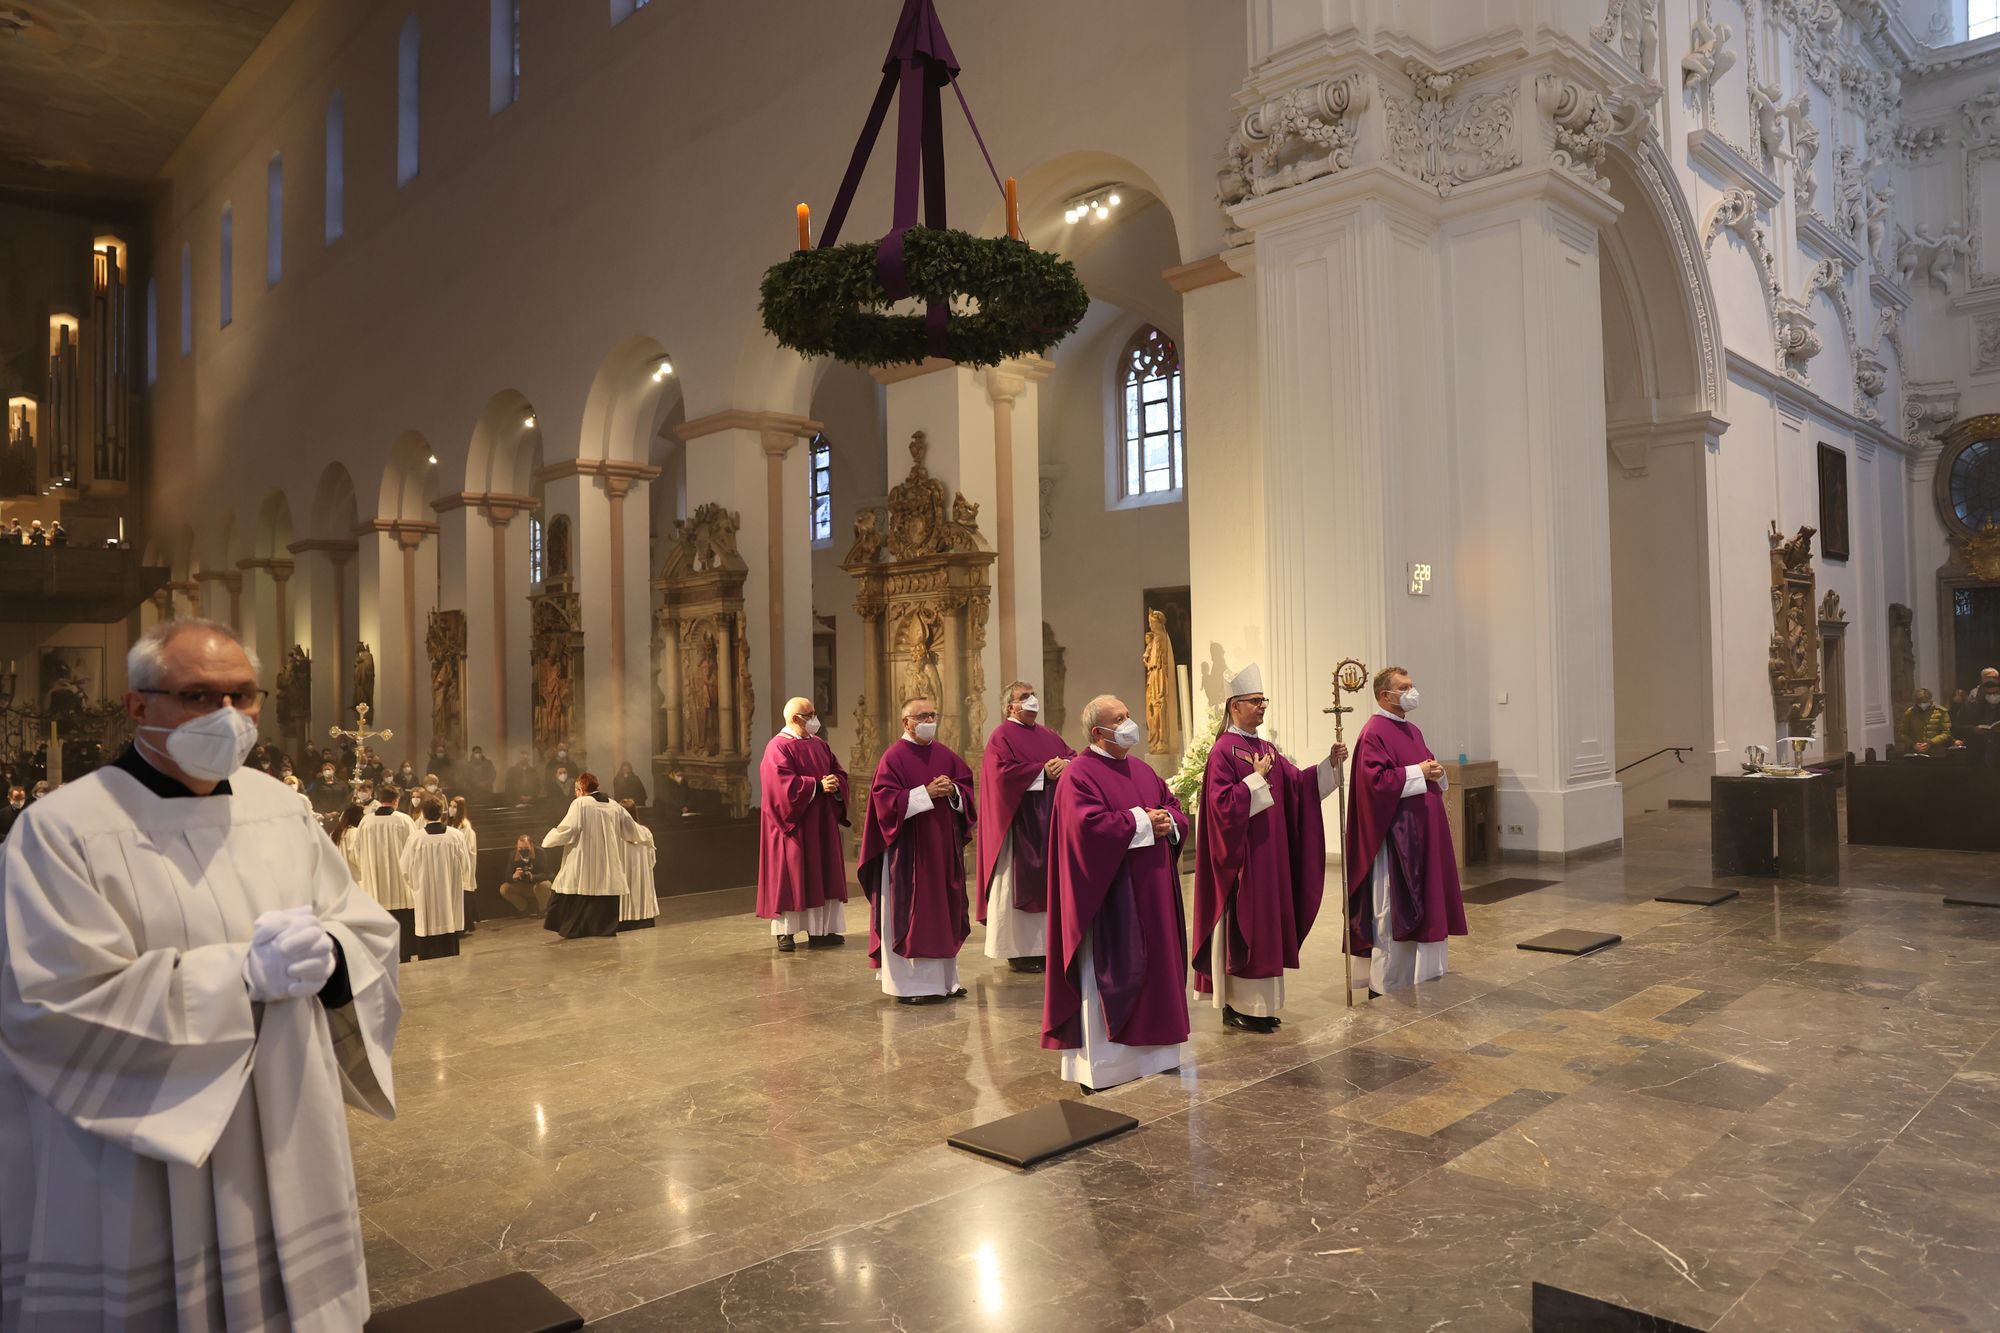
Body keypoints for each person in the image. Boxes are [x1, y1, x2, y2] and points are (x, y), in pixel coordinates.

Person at [0, 617, 398, 1331]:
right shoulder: (62, 830)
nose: (228, 717)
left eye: (243, 696)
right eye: (198, 695)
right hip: (143, 1142)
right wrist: (238, 976)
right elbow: (50, 999)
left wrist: (334, 955)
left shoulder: (282, 809)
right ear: (138, 705)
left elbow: (361, 923)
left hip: (281, 1113)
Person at [1041, 694, 1190, 1092]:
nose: (1129, 723)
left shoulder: (1142, 770)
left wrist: (1169, 820)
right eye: (1119, 719)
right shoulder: (1079, 775)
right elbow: (1084, 829)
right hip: (1110, 900)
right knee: (1113, 976)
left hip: (1154, 894)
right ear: (1097, 732)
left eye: (1128, 716)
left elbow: (1173, 806)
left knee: (1158, 973)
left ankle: (1157, 1056)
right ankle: (1106, 1068)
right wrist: (1142, 821)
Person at [1192, 664, 1347, 1032]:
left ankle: (1261, 1006)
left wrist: (1329, 765)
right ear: (1234, 707)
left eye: (1264, 700)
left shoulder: (1265, 747)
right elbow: (1219, 807)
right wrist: (1255, 781)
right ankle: (1240, 1006)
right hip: (1243, 861)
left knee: (1269, 926)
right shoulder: (1223, 752)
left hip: (1270, 856)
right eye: (1255, 701)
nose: (1262, 706)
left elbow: (1297, 787)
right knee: (1250, 925)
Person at [1344, 665, 1468, 994]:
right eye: (1404, 687)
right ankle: (1386, 983)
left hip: (1423, 837)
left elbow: (1425, 768)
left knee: (1426, 904)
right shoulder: (1374, 732)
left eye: (1412, 685)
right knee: (1391, 912)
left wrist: (1436, 771)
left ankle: (1419, 975)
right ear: (1385, 696)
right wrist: (1418, 771)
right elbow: (1374, 783)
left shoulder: (1411, 730)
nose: (1412, 692)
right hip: (1396, 841)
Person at [855, 697, 975, 1004]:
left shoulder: (944, 754)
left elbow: (967, 787)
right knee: (915, 915)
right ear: (906, 722)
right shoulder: (893, 758)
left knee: (943, 912)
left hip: (942, 851)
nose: (930, 720)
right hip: (909, 855)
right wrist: (926, 793)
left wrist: (955, 793)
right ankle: (911, 987)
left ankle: (946, 982)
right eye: (923, 716)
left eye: (933, 714)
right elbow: (884, 803)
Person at [977, 680, 1073, 973]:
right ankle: (1017, 951)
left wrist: (1066, 765)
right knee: (1013, 885)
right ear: (1011, 706)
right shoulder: (1001, 737)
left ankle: (1047, 948)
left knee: (1050, 884)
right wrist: (1040, 772)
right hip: (1018, 825)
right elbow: (1000, 776)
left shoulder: (1048, 735)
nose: (1032, 700)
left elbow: (1074, 757)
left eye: (1033, 695)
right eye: (1024, 697)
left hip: (1049, 822)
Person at [757, 696, 850, 952]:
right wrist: (817, 786)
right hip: (794, 827)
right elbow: (779, 786)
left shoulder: (819, 744)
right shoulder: (778, 747)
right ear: (796, 718)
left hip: (821, 822)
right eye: (809, 715)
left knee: (822, 873)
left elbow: (839, 772)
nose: (814, 719)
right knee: (792, 876)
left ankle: (820, 930)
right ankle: (785, 932)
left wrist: (836, 783)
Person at [541, 771, 647, 938]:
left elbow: (568, 830)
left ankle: (577, 929)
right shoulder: (614, 805)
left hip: (585, 861)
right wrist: (646, 837)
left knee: (577, 888)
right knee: (603, 894)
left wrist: (549, 839)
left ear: (580, 789)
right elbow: (630, 829)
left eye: (576, 791)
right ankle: (601, 929)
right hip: (607, 864)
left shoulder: (580, 804)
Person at [354, 783, 419, 961]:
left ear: (380, 799)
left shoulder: (365, 822)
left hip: (376, 888)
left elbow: (357, 851)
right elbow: (414, 850)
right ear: (396, 800)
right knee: (403, 928)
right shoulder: (404, 820)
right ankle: (404, 955)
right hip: (400, 886)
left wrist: (368, 870)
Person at [399, 796, 469, 960]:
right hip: (449, 898)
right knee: (449, 946)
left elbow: (404, 869)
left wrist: (417, 886)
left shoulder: (416, 838)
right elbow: (466, 866)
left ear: (423, 814)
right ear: (442, 813)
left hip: (425, 897)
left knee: (427, 935)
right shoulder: (456, 836)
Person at [618, 815, 659, 931]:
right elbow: (652, 860)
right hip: (642, 882)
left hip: (622, 883)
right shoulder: (645, 832)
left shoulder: (615, 836)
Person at [1952, 667, 2000, 765]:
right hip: (1977, 756)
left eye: (1996, 693)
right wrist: (1973, 729)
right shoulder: (1972, 703)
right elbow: (1957, 727)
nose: (1992, 696)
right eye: (1989, 693)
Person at [447, 795, 479, 933]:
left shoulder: (465, 826)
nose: (451, 809)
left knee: (463, 895)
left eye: (454, 807)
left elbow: (467, 848)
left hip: (463, 865)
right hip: (453, 864)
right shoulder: (451, 824)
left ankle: (466, 925)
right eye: (450, 806)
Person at [502, 833, 552, 916]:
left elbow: (547, 874)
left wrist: (533, 877)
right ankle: (524, 909)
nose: (523, 850)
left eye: (526, 848)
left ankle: (541, 910)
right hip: (523, 886)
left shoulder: (540, 852)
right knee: (504, 889)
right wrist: (514, 876)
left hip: (538, 885)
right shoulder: (513, 854)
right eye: (520, 848)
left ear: (531, 845)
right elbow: (506, 876)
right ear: (516, 847)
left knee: (545, 885)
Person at [1896, 687, 1951, 755]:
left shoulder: (1941, 712)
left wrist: (1931, 742)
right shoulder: (1910, 713)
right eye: (1919, 702)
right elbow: (1902, 733)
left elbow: (1946, 733)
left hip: (1936, 752)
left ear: (1930, 700)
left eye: (1925, 702)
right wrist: (1913, 744)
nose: (1922, 704)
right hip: (1915, 752)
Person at [337, 802, 368, 881]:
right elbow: (357, 857)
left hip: (339, 876)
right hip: (354, 877)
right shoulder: (355, 832)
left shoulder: (335, 833)